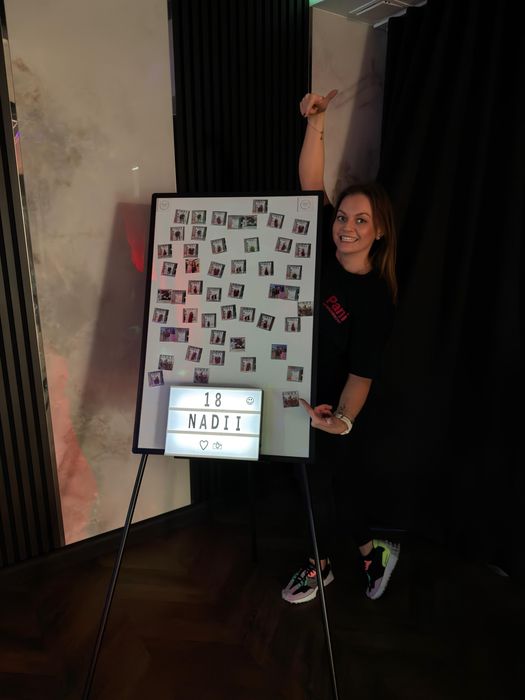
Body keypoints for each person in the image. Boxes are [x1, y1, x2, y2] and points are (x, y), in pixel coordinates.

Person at [281, 89, 400, 604]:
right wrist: (317, 122)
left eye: (360, 221)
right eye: (342, 217)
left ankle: (320, 565)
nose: (346, 227)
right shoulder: (325, 254)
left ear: (379, 232)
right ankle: (372, 552)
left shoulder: (376, 298)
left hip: (336, 405)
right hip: (301, 392)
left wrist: (341, 421)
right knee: (322, 486)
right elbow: (311, 183)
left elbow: (362, 374)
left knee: (317, 487)